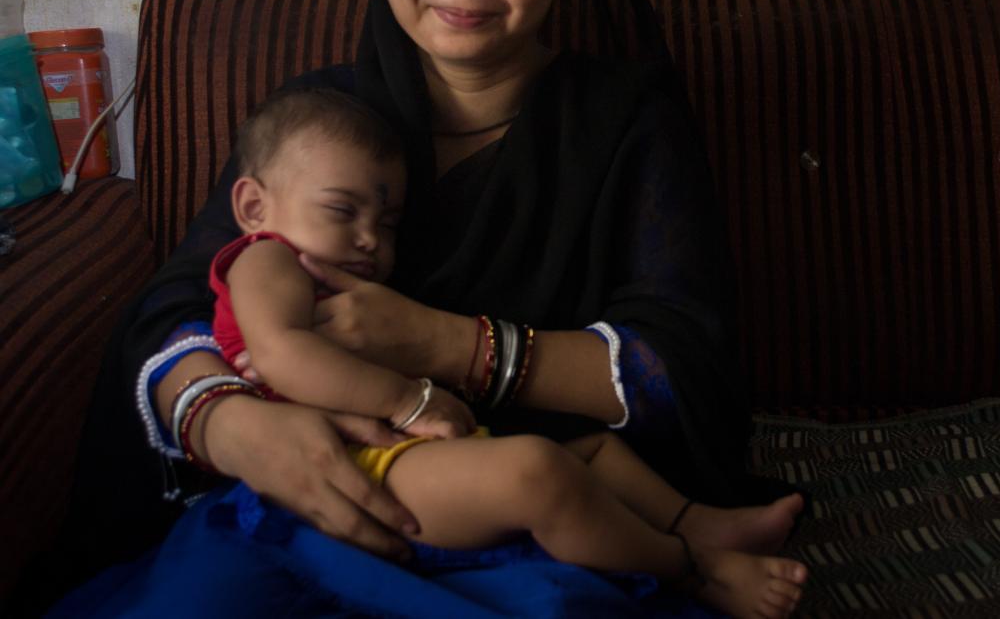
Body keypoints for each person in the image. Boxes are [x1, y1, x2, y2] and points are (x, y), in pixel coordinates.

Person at [41, 0, 807, 616]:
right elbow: (180, 304)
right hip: (308, 495)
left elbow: (682, 370)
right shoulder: (317, 126)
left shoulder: (627, 121)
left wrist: (450, 346)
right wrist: (236, 430)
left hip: (535, 514)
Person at [197, 85, 806, 618]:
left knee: (595, 450)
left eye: (387, 223)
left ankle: (697, 520)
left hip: (403, 451)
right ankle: (695, 569)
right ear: (254, 207)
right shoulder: (267, 257)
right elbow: (280, 355)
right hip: (350, 469)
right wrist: (412, 400)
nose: (368, 238)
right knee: (540, 475)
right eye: (342, 210)